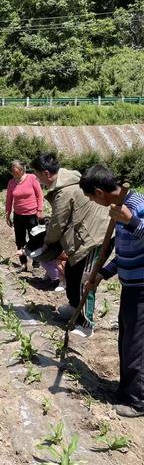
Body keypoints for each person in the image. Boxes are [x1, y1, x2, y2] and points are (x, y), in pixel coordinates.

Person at [80, 165, 144, 417]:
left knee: (136, 345)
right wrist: (102, 274)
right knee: (126, 341)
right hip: (130, 287)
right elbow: (125, 253)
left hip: (142, 289)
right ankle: (126, 390)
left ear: (100, 192)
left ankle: (138, 400)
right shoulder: (119, 210)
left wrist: (132, 221)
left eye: (92, 199)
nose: (95, 203)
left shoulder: (137, 204)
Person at [30, 152, 109, 338]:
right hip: (84, 235)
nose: (37, 179)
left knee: (85, 279)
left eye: (38, 175)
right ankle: (75, 308)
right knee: (73, 274)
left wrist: (46, 244)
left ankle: (86, 324)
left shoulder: (64, 190)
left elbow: (58, 223)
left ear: (47, 173)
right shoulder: (68, 182)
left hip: (95, 237)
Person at [5, 160, 44, 272]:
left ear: (22, 170)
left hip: (32, 214)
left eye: (16, 171)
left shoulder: (32, 178)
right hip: (18, 215)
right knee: (19, 240)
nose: (14, 174)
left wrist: (39, 210)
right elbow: (9, 200)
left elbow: (39, 195)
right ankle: (23, 264)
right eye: (12, 172)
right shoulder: (11, 183)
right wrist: (7, 215)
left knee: (35, 238)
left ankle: (36, 262)